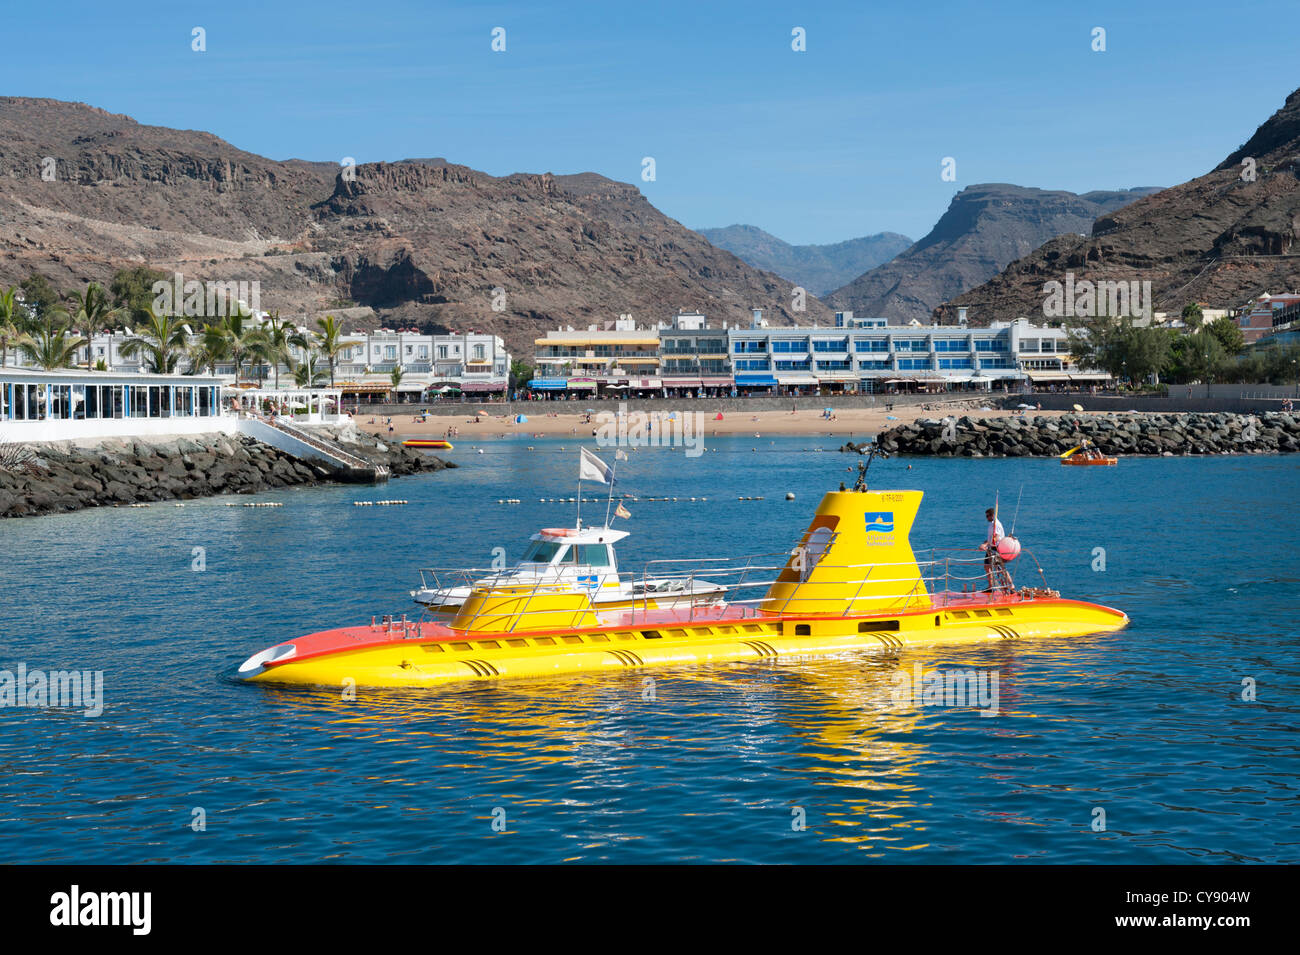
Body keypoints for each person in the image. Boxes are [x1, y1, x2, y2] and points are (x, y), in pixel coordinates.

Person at [979, 506, 1005, 593]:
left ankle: (1011, 585)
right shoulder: (991, 524)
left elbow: (996, 538)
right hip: (990, 548)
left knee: (1000, 569)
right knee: (987, 567)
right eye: (986, 516)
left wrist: (986, 544)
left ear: (992, 515)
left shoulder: (996, 524)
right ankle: (990, 587)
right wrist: (985, 543)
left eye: (988, 516)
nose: (987, 518)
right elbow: (990, 538)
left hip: (996, 549)